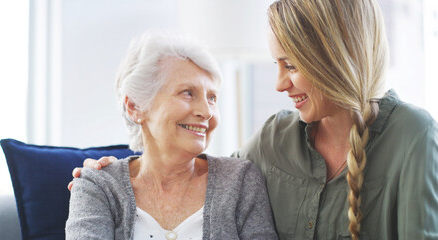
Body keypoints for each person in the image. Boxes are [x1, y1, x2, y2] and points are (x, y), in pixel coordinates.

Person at [71, 0, 438, 239]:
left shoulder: (413, 137)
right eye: (276, 65)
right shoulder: (273, 140)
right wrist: (110, 169)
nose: (279, 84)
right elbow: (191, 167)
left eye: (291, 65)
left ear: (333, 58)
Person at [65, 31, 278, 240]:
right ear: (135, 107)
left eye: (212, 97)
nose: (206, 111)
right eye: (187, 93)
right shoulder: (98, 185)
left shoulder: (240, 180)